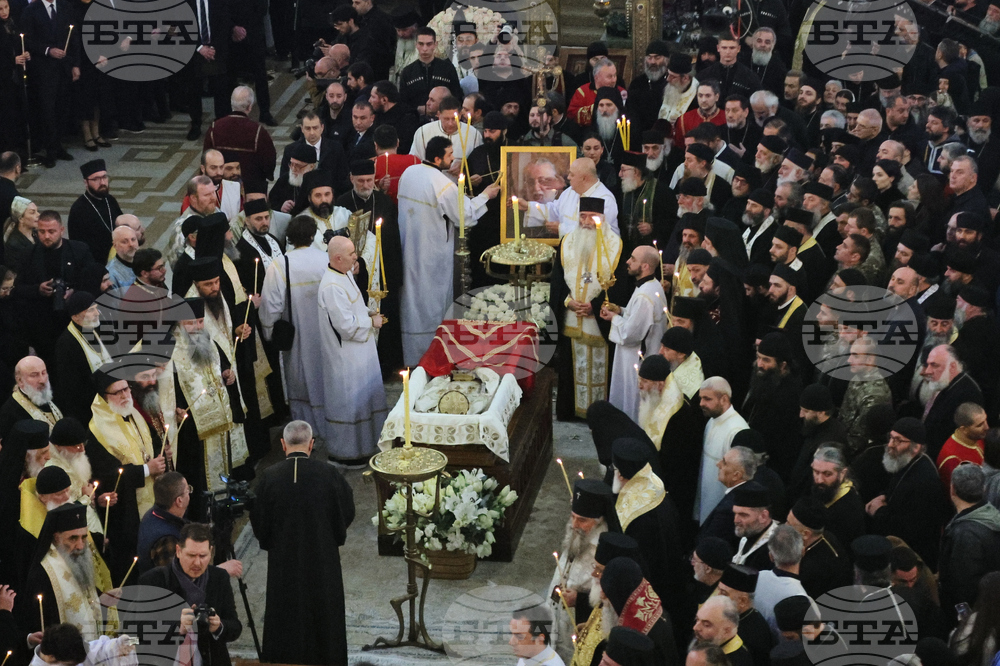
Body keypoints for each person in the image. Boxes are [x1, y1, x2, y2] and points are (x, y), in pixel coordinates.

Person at [249, 420, 354, 664]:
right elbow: (346, 511)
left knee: (285, 613)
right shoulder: (329, 474)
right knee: (325, 614)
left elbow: (259, 518)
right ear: (311, 444)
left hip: (283, 562)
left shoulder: (269, 477)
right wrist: (331, 535)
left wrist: (271, 540)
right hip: (323, 558)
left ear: (283, 444)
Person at [397, 136, 499, 364]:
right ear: (437, 158)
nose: (453, 159)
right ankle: (433, 357)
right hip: (432, 254)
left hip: (408, 249)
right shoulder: (442, 183)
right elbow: (465, 216)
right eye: (450, 155)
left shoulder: (409, 173)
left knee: (411, 301)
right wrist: (486, 195)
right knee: (433, 303)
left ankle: (411, 357)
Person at [87, 367, 164, 579]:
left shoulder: (132, 412)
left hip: (151, 496)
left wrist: (159, 455)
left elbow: (150, 442)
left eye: (126, 389)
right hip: (126, 511)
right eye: (117, 392)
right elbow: (109, 475)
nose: (124, 395)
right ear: (104, 398)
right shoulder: (97, 430)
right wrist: (147, 470)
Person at [548, 202, 622, 419]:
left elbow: (620, 287)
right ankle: (571, 412)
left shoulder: (616, 245)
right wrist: (567, 302)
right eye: (583, 216)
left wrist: (594, 306)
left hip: (598, 322)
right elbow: (557, 282)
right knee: (572, 368)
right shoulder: (567, 242)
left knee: (600, 369)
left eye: (592, 216)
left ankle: (599, 415)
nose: (587, 222)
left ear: (603, 218)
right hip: (572, 319)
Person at [318, 236, 387, 465]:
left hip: (360, 353)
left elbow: (354, 306)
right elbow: (346, 327)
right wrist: (371, 322)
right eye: (351, 254)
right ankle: (348, 454)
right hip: (346, 357)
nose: (356, 257)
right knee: (350, 402)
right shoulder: (331, 287)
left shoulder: (344, 273)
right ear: (338, 258)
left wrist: (369, 312)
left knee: (364, 400)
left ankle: (367, 446)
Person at [138, 523, 242, 666]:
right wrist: (177, 628)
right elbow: (140, 633)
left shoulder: (219, 578)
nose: (197, 563)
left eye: (203, 556)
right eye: (191, 555)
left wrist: (219, 626)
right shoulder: (154, 580)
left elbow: (235, 627)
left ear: (211, 551)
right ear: (178, 551)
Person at [336, 158, 404, 377]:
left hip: (384, 273)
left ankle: (387, 365)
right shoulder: (342, 204)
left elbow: (394, 241)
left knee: (387, 318)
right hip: (357, 275)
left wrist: (396, 275)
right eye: (361, 181)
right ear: (351, 179)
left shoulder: (384, 202)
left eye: (369, 180)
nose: (365, 185)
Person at [610, 439, 685, 623]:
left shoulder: (637, 513)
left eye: (615, 469)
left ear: (621, 474)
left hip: (650, 580)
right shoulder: (654, 483)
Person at [13, 211, 96, 365]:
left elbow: (92, 281)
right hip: (43, 324)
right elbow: (17, 289)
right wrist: (38, 289)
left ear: (62, 230)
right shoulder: (28, 255)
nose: (46, 236)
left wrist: (74, 292)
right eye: (42, 231)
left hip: (75, 320)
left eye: (52, 231)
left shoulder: (79, 251)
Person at [866, 417, 948, 569]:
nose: (890, 444)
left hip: (911, 559)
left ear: (915, 447)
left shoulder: (924, 481)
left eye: (898, 440)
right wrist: (885, 495)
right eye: (891, 437)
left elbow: (909, 529)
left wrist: (879, 511)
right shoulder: (907, 461)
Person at [600, 246, 668, 421]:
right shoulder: (652, 285)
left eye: (633, 259)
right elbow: (637, 317)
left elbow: (630, 334)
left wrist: (613, 318)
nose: (628, 262)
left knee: (632, 404)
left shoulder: (645, 295)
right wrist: (620, 310)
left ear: (645, 266)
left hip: (636, 359)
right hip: (640, 355)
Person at [21, 503, 105, 640]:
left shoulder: (79, 560)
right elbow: (35, 622)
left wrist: (102, 597)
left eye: (84, 537)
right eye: (73, 538)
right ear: (56, 537)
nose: (80, 546)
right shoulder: (42, 574)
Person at [548, 479, 610, 662]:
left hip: (579, 623)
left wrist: (579, 599)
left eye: (582, 520)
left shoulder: (603, 551)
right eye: (572, 516)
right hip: (557, 616)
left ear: (598, 521)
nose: (574, 524)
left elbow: (608, 601)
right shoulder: (576, 535)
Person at [939, 464, 1000, 617]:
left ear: (952, 489)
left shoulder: (965, 535)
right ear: (983, 489)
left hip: (973, 615)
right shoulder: (992, 516)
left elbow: (963, 588)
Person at [599, 557, 680, 666]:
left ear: (619, 596)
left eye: (607, 593)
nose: (601, 596)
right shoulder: (651, 605)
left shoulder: (638, 635)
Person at [203, 86, 277, 194]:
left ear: (231, 104)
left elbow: (206, 158)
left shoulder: (215, 128)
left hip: (221, 189)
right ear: (250, 106)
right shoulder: (258, 131)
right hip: (251, 189)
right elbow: (269, 161)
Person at [52, 293, 111, 425]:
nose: (97, 313)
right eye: (91, 310)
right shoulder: (66, 343)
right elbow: (72, 386)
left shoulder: (96, 329)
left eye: (96, 308)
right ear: (75, 316)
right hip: (88, 408)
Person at [696, 376, 749, 524]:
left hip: (722, 504)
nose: (701, 403)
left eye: (707, 399)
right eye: (701, 398)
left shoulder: (737, 430)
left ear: (724, 399)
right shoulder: (712, 420)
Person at [523, 158, 620, 237]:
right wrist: (528, 206)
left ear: (584, 178)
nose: (568, 177)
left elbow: (593, 233)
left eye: (572, 174)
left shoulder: (603, 199)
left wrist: (561, 229)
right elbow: (555, 210)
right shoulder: (570, 192)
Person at [921, 345, 985, 459]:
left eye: (934, 365)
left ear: (952, 366)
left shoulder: (968, 394)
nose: (928, 371)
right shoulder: (946, 384)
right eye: (928, 364)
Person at [786, 496, 851, 598]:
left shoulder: (814, 569)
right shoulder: (827, 536)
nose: (784, 527)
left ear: (806, 534)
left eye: (789, 525)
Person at [715, 564, 774, 666]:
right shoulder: (732, 616)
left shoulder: (755, 633)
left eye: (724, 593)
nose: (718, 596)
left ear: (743, 601)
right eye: (718, 590)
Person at [0, 356, 63, 437]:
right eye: (34, 375)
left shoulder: (51, 396)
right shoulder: (10, 412)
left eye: (43, 373)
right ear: (20, 380)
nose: (42, 380)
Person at [938, 402, 988, 488]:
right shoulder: (952, 459)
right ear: (964, 429)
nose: (987, 427)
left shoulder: (977, 436)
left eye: (985, 420)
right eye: (980, 425)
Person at [692, 596, 754, 665]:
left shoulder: (736, 661)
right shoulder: (709, 642)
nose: (695, 628)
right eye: (697, 620)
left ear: (726, 631)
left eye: (706, 625)